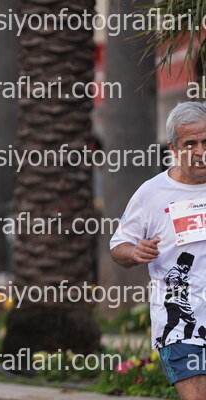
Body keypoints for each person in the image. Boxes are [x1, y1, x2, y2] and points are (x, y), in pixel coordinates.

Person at [111, 102, 206, 399]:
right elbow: (118, 245)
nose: (201, 151)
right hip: (182, 329)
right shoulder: (152, 193)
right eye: (190, 144)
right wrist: (134, 252)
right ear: (174, 148)